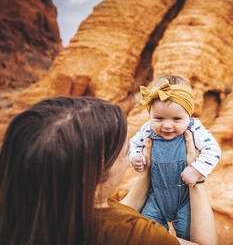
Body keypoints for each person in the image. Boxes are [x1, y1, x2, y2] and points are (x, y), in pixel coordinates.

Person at [0, 96, 217, 245]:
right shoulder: (137, 235)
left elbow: (116, 211)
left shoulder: (39, 209)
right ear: (94, 174)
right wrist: (196, 179)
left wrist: (147, 172)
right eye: (125, 153)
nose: (129, 154)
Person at [129, 75, 221, 239]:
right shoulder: (148, 129)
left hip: (185, 199)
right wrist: (135, 156)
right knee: (147, 232)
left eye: (177, 119)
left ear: (189, 114)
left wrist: (196, 169)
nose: (167, 125)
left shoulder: (195, 129)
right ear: (150, 114)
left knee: (188, 235)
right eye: (158, 118)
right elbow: (134, 144)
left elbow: (213, 150)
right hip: (156, 197)